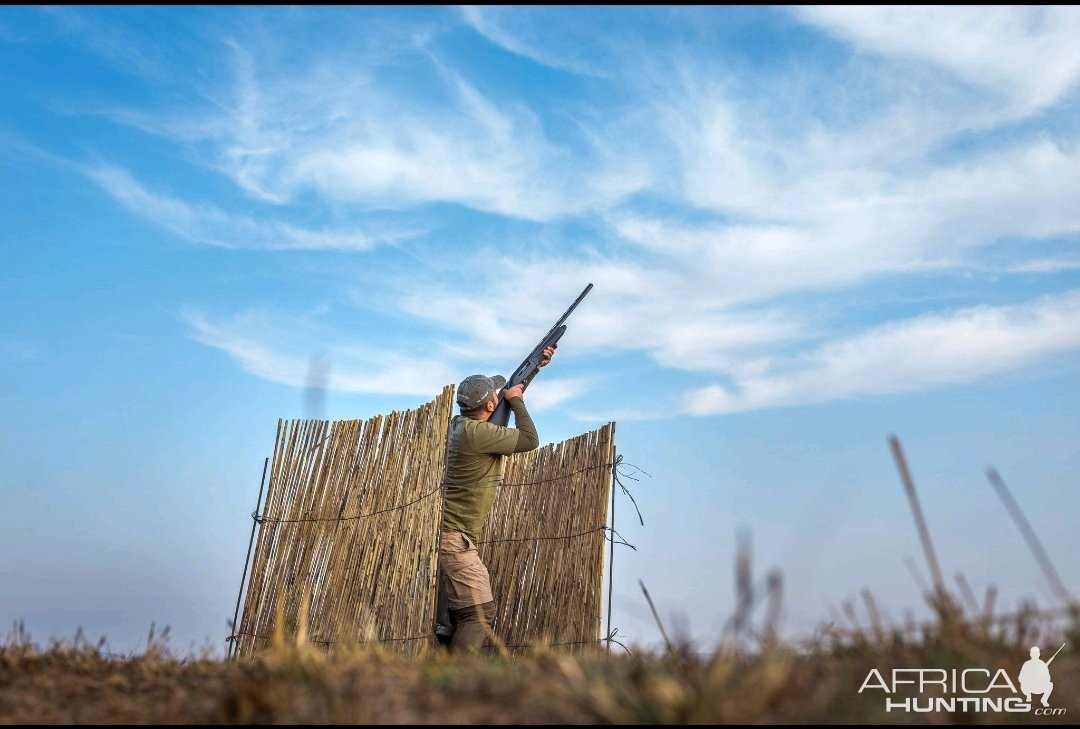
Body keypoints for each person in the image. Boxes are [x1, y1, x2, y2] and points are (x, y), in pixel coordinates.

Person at [437, 344, 556, 653]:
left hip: (449, 536)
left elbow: (501, 405)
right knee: (479, 615)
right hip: (455, 541)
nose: (499, 395)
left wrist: (535, 369)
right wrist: (516, 400)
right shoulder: (480, 435)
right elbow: (530, 439)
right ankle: (451, 683)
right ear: (490, 404)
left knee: (456, 619)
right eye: (496, 394)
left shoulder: (461, 427)